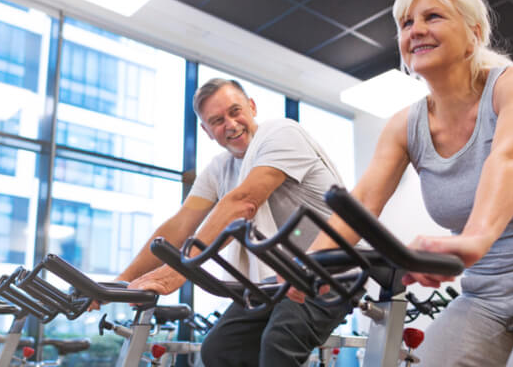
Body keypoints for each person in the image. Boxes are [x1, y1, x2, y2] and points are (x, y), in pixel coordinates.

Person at [291, 0, 513, 366]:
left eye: (433, 17)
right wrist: (303, 266)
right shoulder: (403, 126)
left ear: (474, 33)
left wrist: (475, 239)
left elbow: (511, 158)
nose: (416, 30)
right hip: (484, 294)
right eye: (406, 23)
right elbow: (362, 203)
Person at [107, 77, 352, 366]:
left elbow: (243, 202)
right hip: (278, 279)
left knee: (279, 341)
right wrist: (119, 284)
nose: (231, 124)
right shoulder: (218, 170)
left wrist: (176, 273)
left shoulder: (282, 133)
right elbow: (179, 226)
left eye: (235, 112)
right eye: (217, 120)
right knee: (219, 349)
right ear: (207, 131)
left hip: (331, 269)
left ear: (252, 106)